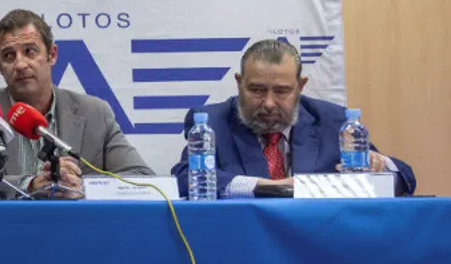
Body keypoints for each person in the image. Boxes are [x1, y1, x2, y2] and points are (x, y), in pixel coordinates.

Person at [170, 39, 415, 197]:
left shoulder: (333, 120)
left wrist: (380, 164)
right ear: (239, 83)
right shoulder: (211, 122)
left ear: (300, 86)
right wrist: (266, 187)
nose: (268, 103)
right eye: (257, 90)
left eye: (281, 91)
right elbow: (185, 177)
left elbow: (404, 178)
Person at [0, 10, 152, 196]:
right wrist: (28, 185)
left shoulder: (94, 113)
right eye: (9, 56)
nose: (20, 64)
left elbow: (142, 177)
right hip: (5, 223)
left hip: (77, 222)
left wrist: (78, 186)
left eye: (30, 51)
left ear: (52, 55)